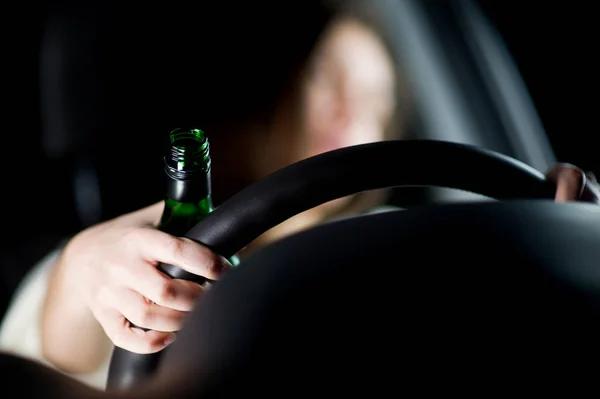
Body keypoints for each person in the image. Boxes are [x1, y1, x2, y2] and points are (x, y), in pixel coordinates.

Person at [0, 0, 597, 392]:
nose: (348, 109)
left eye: (373, 102)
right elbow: (49, 344)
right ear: (287, 86)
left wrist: (551, 231)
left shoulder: (395, 239)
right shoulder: (160, 242)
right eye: (332, 77)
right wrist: (86, 271)